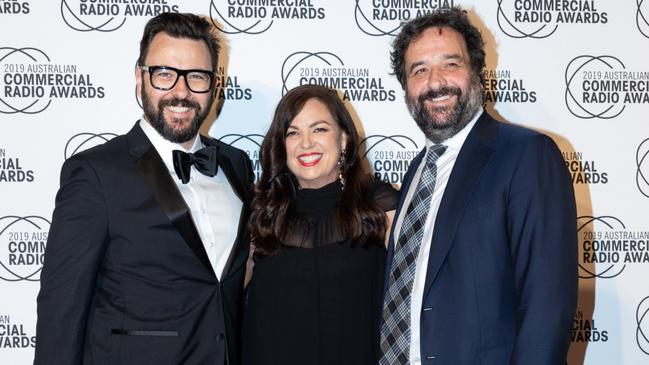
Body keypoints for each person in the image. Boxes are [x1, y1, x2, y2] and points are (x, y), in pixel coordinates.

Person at [34, 13, 253, 365]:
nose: (181, 92)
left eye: (196, 76)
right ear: (140, 77)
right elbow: (62, 310)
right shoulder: (96, 174)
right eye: (164, 74)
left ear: (215, 83)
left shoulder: (236, 165)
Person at [379, 7, 578, 365]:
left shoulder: (526, 155)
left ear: (477, 72)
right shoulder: (415, 173)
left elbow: (547, 306)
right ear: (406, 87)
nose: (435, 81)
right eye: (419, 70)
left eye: (450, 64)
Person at [242, 84, 398, 365]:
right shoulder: (261, 215)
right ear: (281, 145)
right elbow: (219, 301)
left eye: (319, 129)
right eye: (293, 133)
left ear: (345, 140)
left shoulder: (379, 206)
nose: (306, 143)